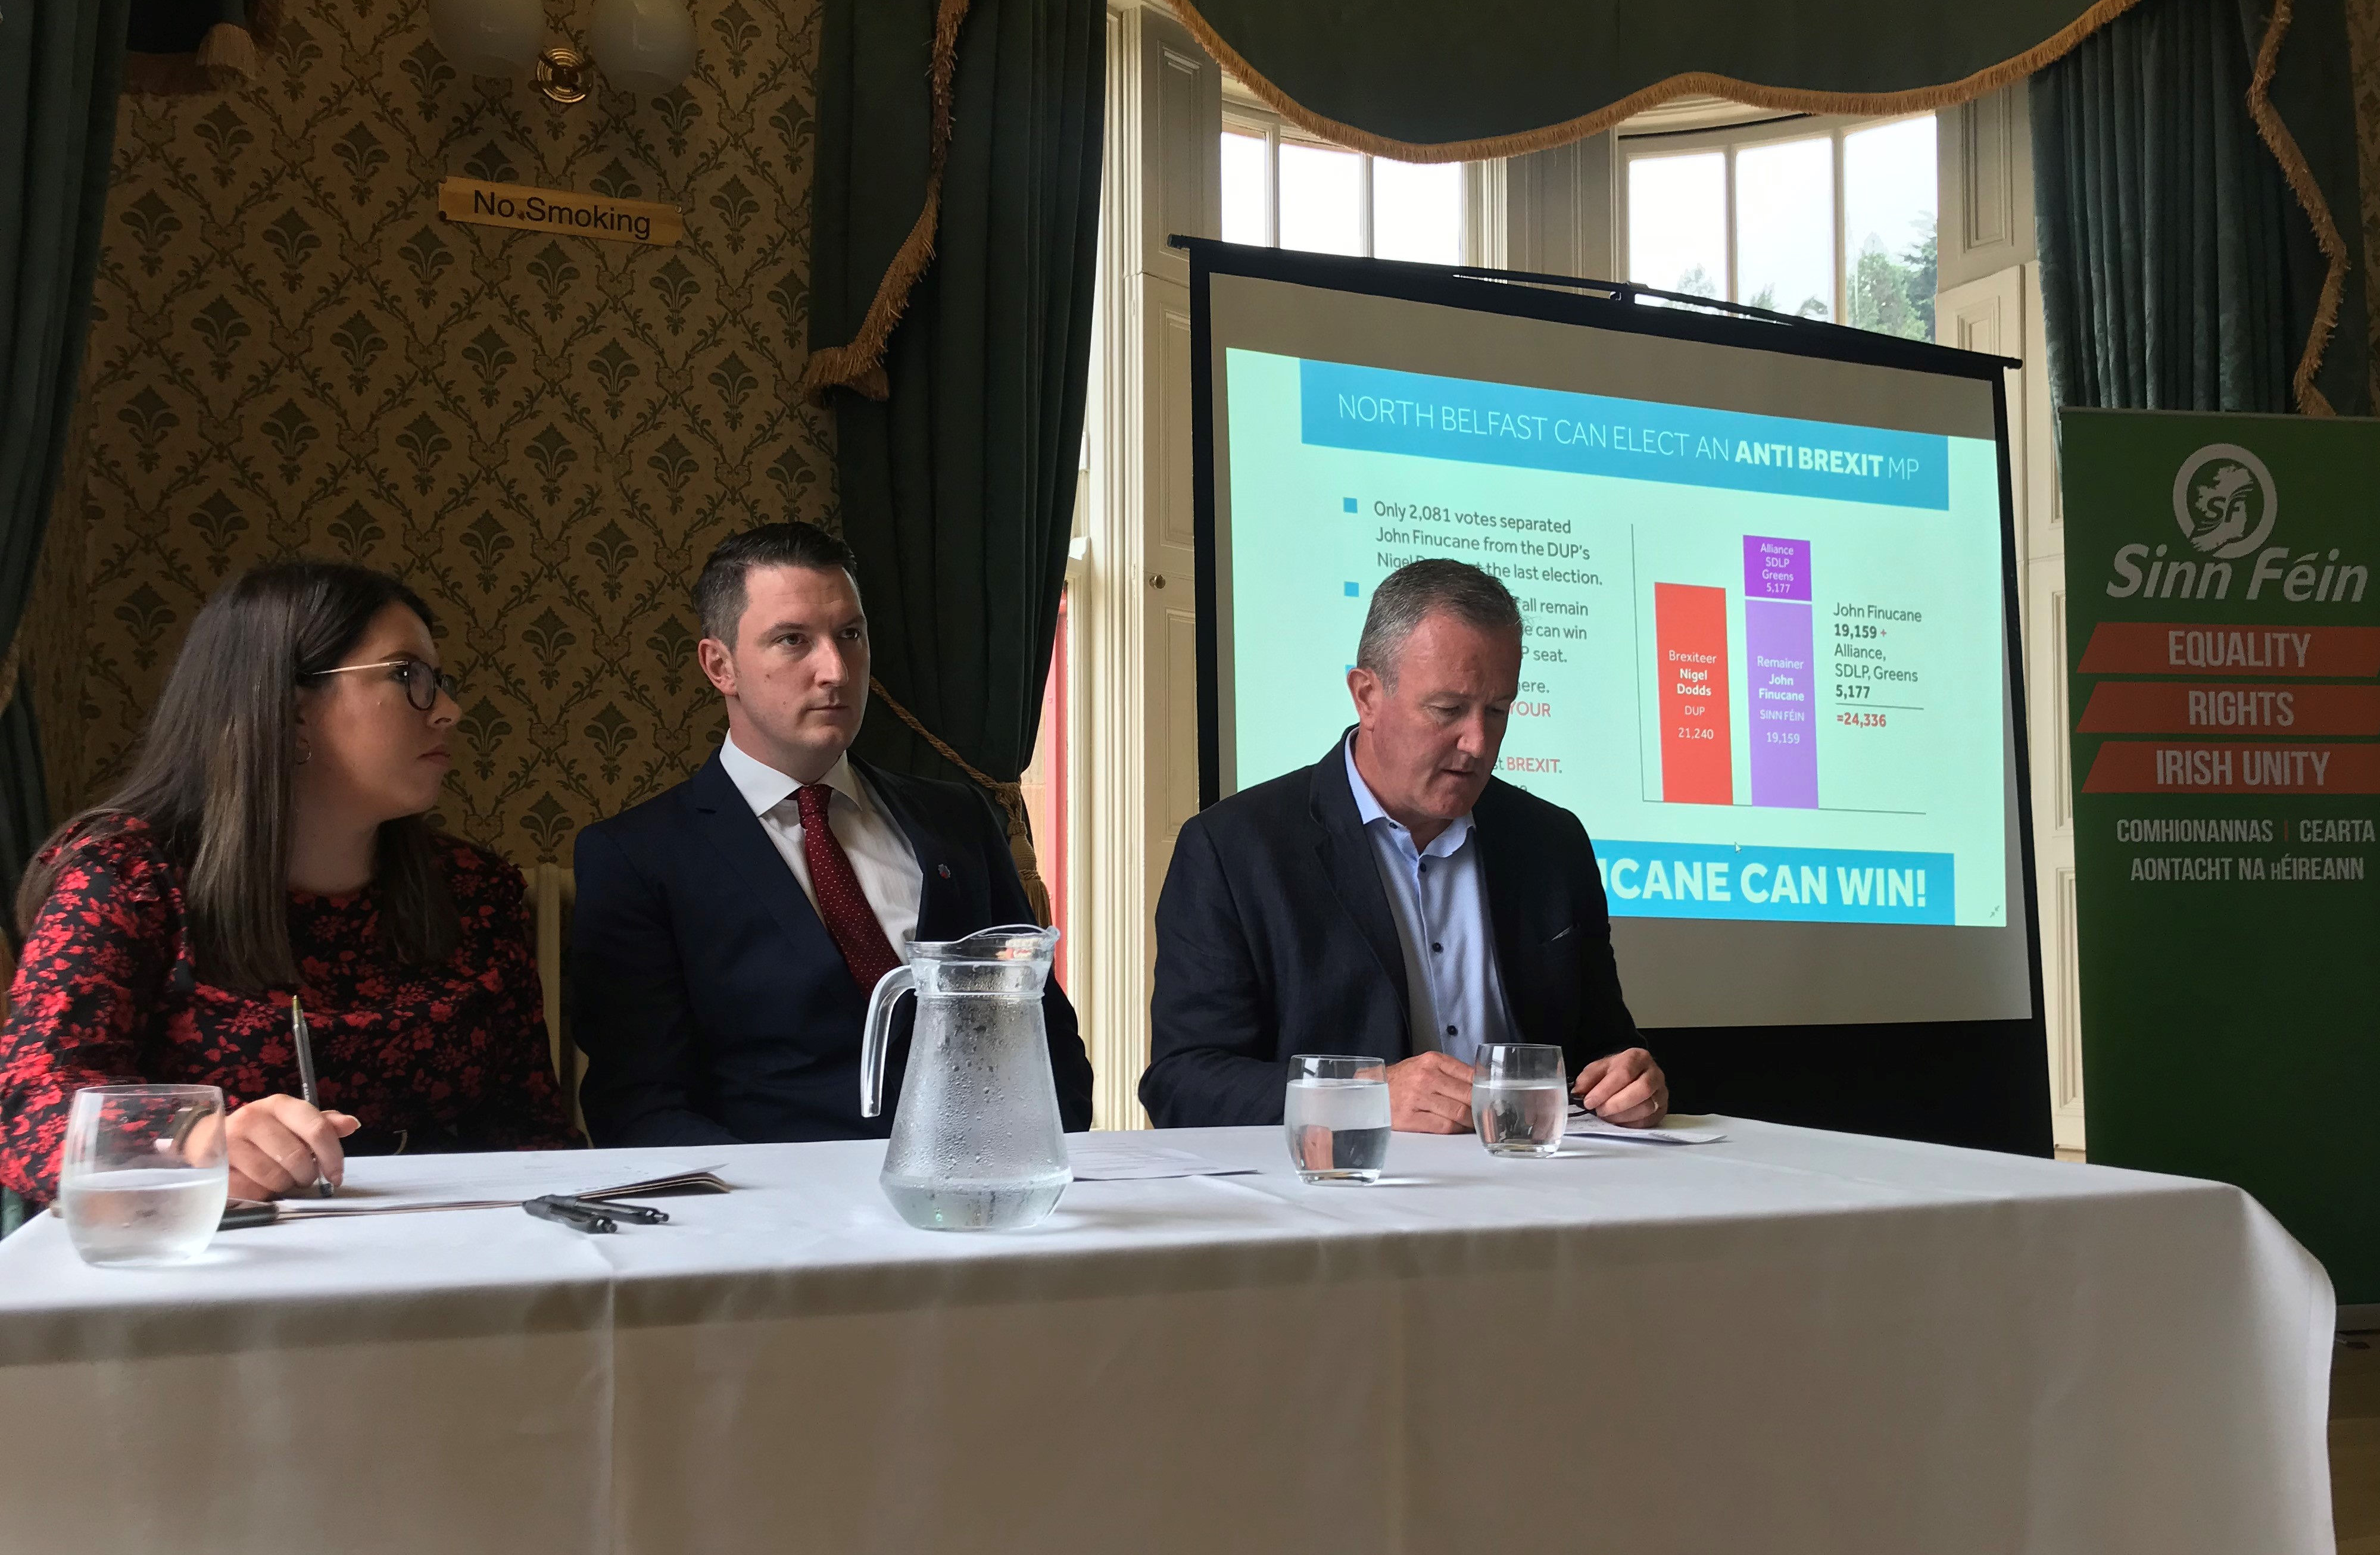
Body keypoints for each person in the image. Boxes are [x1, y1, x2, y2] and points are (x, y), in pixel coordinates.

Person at [0, 561, 580, 1206]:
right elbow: (31, 1110)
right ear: (288, 707)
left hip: (464, 1264)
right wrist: (191, 1141)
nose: (448, 710)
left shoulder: (477, 892)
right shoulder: (127, 881)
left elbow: (535, 1134)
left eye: (439, 681)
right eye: (407, 675)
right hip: (234, 1274)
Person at [572, 522, 1093, 1145]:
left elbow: (1047, 1041)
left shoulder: (957, 820)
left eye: (851, 635)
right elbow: (639, 1104)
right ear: (721, 666)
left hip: (981, 1198)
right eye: (793, 640)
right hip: (772, 1221)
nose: (836, 670)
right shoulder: (639, 857)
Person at [1141, 557, 1664, 1132]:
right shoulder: (1233, 850)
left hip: (1540, 1193)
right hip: (1339, 1199)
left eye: (1498, 710)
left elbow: (1605, 1051)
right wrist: (1363, 1096)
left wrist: (1631, 1079)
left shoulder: (1552, 842)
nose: (1478, 741)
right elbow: (1183, 1085)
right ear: (1366, 696)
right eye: (1448, 710)